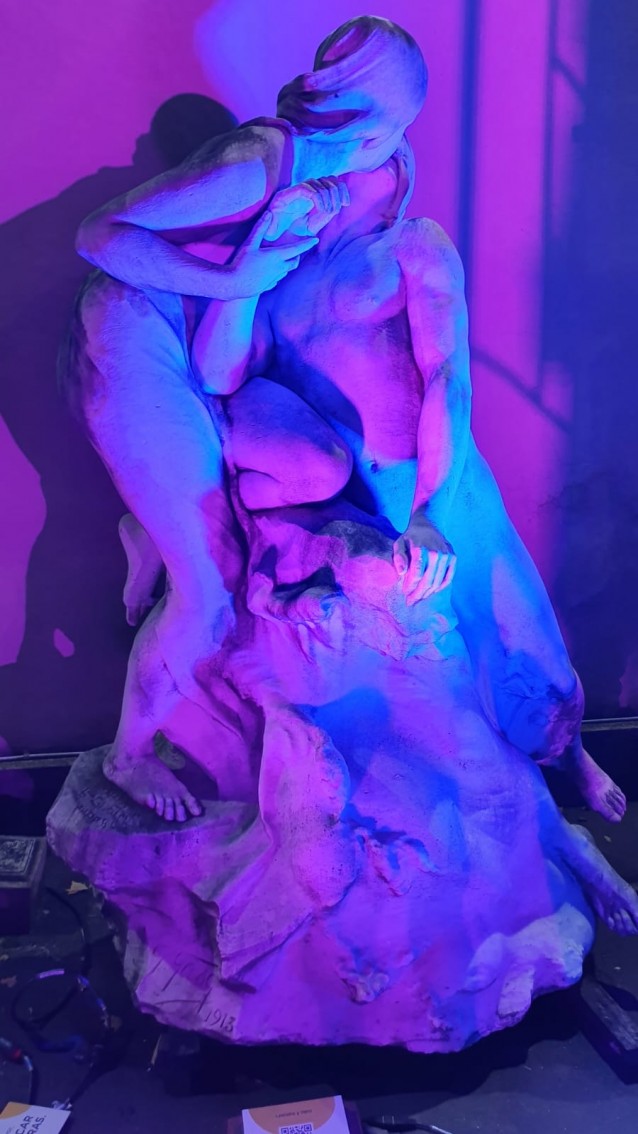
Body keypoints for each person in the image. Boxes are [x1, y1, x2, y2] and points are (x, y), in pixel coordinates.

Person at [192, 139, 627, 827]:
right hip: (361, 510)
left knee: (529, 653)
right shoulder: (278, 279)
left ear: (396, 178)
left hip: (442, 489)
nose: (342, 168)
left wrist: (430, 511)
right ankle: (498, 811)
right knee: (437, 680)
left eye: (372, 151)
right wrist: (256, 256)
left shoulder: (412, 244)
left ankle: (572, 756)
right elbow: (219, 376)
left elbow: (449, 376)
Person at [64, 17, 429, 820]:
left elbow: (221, 368)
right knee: (211, 587)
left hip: (200, 345)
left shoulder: (319, 185)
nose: (401, 153)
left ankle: (153, 522)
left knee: (317, 464)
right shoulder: (253, 165)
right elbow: (97, 236)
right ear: (372, 127)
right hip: (131, 344)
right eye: (398, 131)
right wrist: (237, 280)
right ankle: (129, 756)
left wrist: (255, 266)